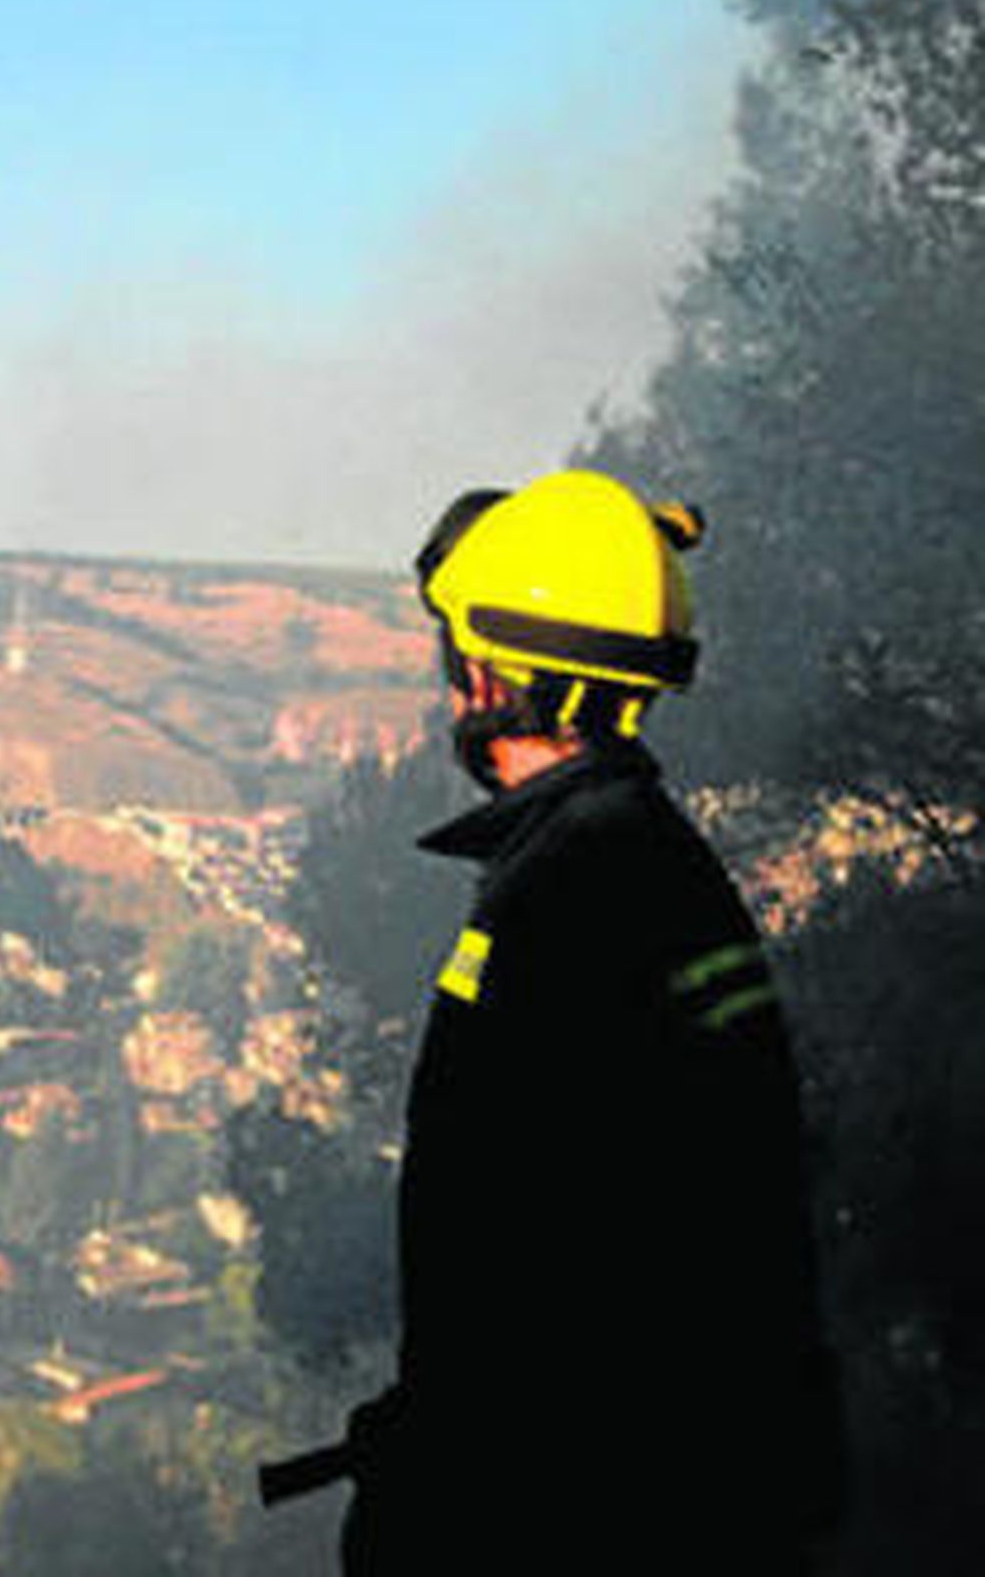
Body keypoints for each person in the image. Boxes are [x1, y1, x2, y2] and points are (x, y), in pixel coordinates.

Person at [334, 468, 844, 1575]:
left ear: (487, 668)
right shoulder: (645, 865)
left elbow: (515, 1239)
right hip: (689, 1487)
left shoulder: (566, 896)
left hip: (583, 1508)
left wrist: (443, 1475)